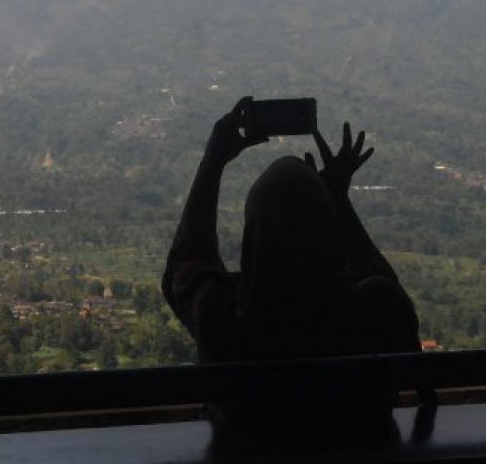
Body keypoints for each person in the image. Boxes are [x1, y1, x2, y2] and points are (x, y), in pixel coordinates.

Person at [163, 97, 419, 426]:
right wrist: (338, 200)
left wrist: (213, 161)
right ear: (327, 231)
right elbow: (380, 278)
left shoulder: (223, 321)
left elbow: (187, 262)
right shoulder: (376, 313)